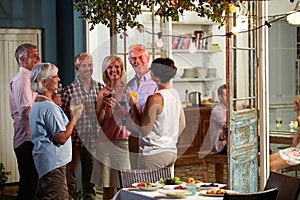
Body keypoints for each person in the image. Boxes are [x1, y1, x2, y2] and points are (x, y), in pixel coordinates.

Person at [29, 63, 83, 199]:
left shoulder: (38, 103)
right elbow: (62, 138)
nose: (58, 79)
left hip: (45, 161)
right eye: (55, 76)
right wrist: (75, 117)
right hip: (54, 163)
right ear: (44, 82)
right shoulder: (49, 108)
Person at [128, 57, 185, 169]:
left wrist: (133, 105)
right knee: (166, 186)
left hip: (153, 154)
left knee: (147, 186)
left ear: (156, 77)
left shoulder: (154, 98)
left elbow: (144, 130)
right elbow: (182, 124)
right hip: (171, 152)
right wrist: (167, 141)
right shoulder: (175, 94)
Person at [61, 53, 103, 199]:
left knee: (90, 182)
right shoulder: (69, 90)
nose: (88, 68)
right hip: (74, 142)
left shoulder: (99, 88)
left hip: (92, 141)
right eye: (84, 65)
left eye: (90, 65)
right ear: (77, 67)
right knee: (70, 180)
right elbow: (63, 117)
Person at [91, 55, 130, 200]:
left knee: (125, 185)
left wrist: (120, 110)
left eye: (117, 67)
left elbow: (134, 120)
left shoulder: (129, 90)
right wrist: (101, 109)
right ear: (106, 71)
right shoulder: (102, 93)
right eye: (110, 67)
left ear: (122, 69)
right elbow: (100, 122)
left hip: (123, 142)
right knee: (108, 186)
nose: (114, 70)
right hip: (105, 143)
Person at [9, 43, 40, 199]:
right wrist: (46, 106)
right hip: (26, 140)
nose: (39, 58)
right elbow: (26, 111)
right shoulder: (22, 80)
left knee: (32, 185)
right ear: (22, 59)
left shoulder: (30, 79)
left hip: (31, 138)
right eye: (34, 55)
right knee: (28, 187)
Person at [124, 44, 158, 168]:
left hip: (151, 136)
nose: (137, 61)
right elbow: (126, 112)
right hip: (133, 135)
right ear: (129, 61)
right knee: (135, 172)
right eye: (133, 59)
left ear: (148, 58)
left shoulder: (156, 83)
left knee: (151, 173)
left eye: (141, 57)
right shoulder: (129, 85)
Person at [270, 95, 300, 172]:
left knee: (272, 166)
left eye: (294, 103)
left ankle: (277, 183)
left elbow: (295, 139)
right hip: (297, 149)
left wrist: (296, 138)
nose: (293, 105)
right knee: (268, 160)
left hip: (298, 152)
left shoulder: (299, 119)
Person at [199, 84, 227, 158]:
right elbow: (229, 124)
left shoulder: (230, 108)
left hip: (228, 141)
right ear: (220, 97)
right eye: (226, 95)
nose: (229, 98)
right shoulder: (217, 110)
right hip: (220, 145)